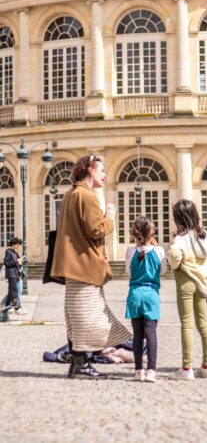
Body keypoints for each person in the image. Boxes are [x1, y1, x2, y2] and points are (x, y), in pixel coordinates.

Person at [51, 154, 132, 379]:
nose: (104, 174)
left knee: (77, 315)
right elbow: (96, 229)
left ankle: (79, 364)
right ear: (90, 170)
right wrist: (110, 218)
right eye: (101, 170)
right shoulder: (88, 197)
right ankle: (81, 365)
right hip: (84, 266)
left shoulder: (70, 194)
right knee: (89, 316)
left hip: (72, 266)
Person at [168, 199, 207, 380]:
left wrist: (173, 263)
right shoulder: (205, 235)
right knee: (203, 323)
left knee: (186, 323)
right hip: (202, 281)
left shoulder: (180, 238)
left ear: (178, 218)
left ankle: (186, 369)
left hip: (185, 280)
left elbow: (175, 257)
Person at [125, 216, 167, 383]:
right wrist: (155, 247)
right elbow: (162, 271)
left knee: (137, 335)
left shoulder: (129, 251)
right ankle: (151, 370)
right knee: (151, 334)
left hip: (134, 294)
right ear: (152, 232)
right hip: (151, 295)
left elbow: (129, 272)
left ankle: (137, 371)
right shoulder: (159, 251)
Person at [1, 237, 23, 313]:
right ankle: (18, 308)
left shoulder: (14, 252)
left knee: (12, 291)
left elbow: (17, 262)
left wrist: (20, 261)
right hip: (11, 274)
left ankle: (4, 308)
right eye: (17, 245)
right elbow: (6, 263)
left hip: (15, 273)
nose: (18, 246)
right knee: (14, 291)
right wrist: (16, 262)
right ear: (13, 244)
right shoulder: (9, 252)